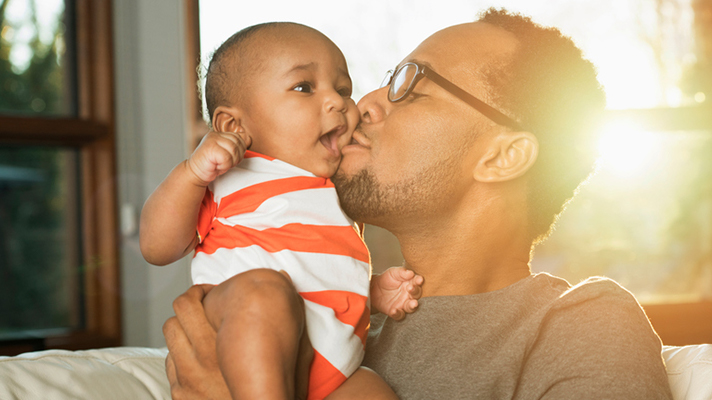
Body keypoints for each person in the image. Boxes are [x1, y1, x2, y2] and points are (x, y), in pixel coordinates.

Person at [162, 8, 674, 400]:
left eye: (413, 86)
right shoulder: (327, 319)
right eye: (387, 80)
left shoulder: (580, 324)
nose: (361, 105)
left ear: (503, 156)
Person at [140, 22, 423, 400]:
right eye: (304, 87)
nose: (338, 102)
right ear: (233, 125)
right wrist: (191, 174)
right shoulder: (231, 173)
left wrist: (368, 292)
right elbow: (157, 248)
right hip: (243, 327)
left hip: (330, 368)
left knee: (375, 390)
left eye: (343, 89)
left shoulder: (338, 190)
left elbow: (313, 271)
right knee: (266, 289)